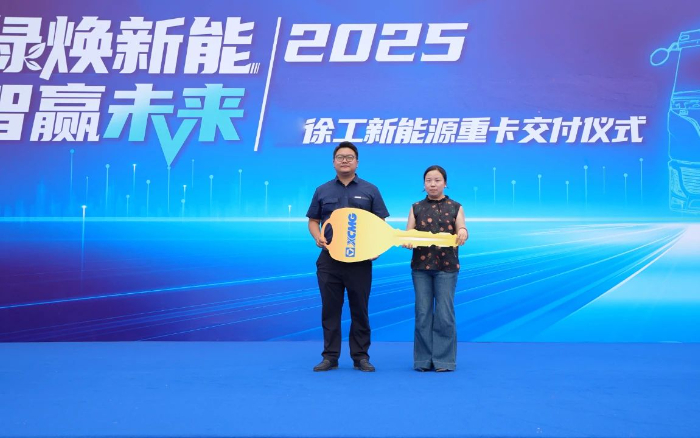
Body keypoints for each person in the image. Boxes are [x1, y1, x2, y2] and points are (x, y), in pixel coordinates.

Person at [306, 141, 390, 372]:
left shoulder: (370, 190)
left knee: (359, 310)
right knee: (330, 310)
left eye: (349, 157)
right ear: (334, 162)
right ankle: (330, 357)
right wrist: (317, 237)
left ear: (357, 162)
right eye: (340, 157)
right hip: (329, 259)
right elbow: (313, 221)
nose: (345, 160)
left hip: (359, 260)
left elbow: (380, 224)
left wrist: (376, 247)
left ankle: (360, 357)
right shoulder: (322, 190)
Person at [404, 165, 468, 372]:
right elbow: (408, 233)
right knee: (422, 313)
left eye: (437, 180)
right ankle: (422, 360)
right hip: (421, 267)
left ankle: (444, 361)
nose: (433, 184)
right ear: (424, 184)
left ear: (445, 183)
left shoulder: (456, 207)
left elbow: (462, 228)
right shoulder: (415, 207)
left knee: (444, 314)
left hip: (447, 267)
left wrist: (463, 233)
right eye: (428, 180)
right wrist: (407, 240)